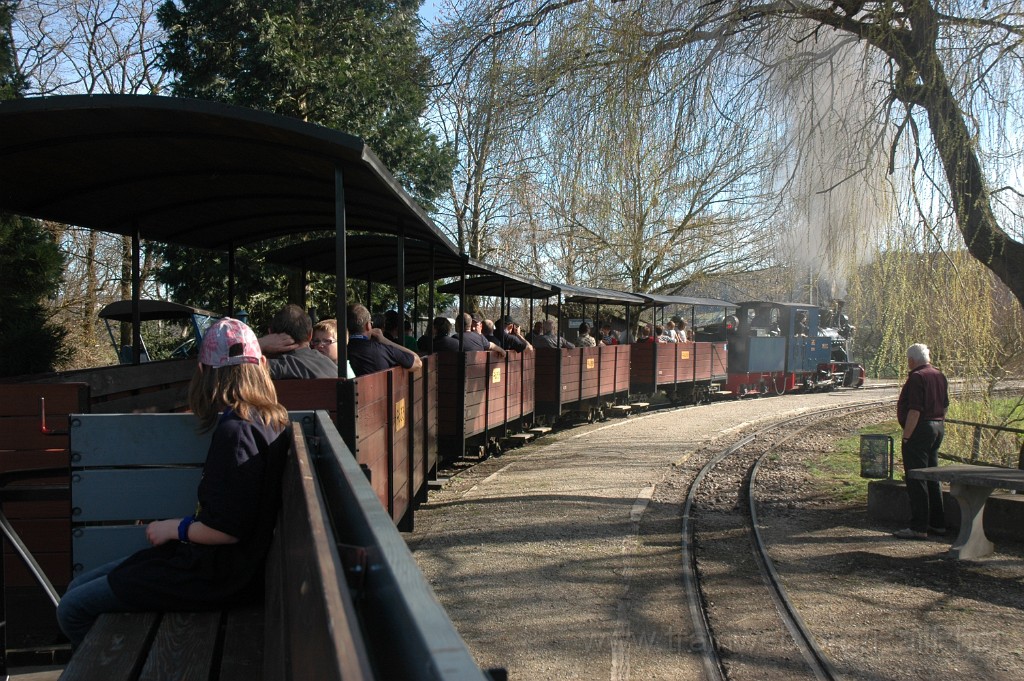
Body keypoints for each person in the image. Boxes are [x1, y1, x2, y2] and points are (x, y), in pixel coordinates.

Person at [56, 318, 291, 649]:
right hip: (219, 569)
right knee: (79, 585)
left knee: (72, 609)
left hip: (215, 577)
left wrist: (173, 529)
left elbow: (226, 529)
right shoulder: (264, 421)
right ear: (262, 366)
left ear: (204, 371)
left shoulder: (236, 432)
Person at [894, 343, 949, 540]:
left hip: (921, 429)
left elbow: (914, 409)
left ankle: (919, 526)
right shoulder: (939, 375)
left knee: (916, 477)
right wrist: (937, 424)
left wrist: (907, 436)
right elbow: (944, 406)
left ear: (911, 360)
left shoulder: (917, 377)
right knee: (933, 476)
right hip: (937, 427)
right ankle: (938, 523)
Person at [258, 304, 338, 379]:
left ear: (270, 333)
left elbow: (247, 370)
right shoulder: (331, 366)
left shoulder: (272, 367)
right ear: (310, 335)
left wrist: (259, 344)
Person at [346, 304, 422, 376]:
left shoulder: (341, 351)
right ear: (368, 326)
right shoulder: (382, 349)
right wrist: (384, 340)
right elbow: (417, 362)